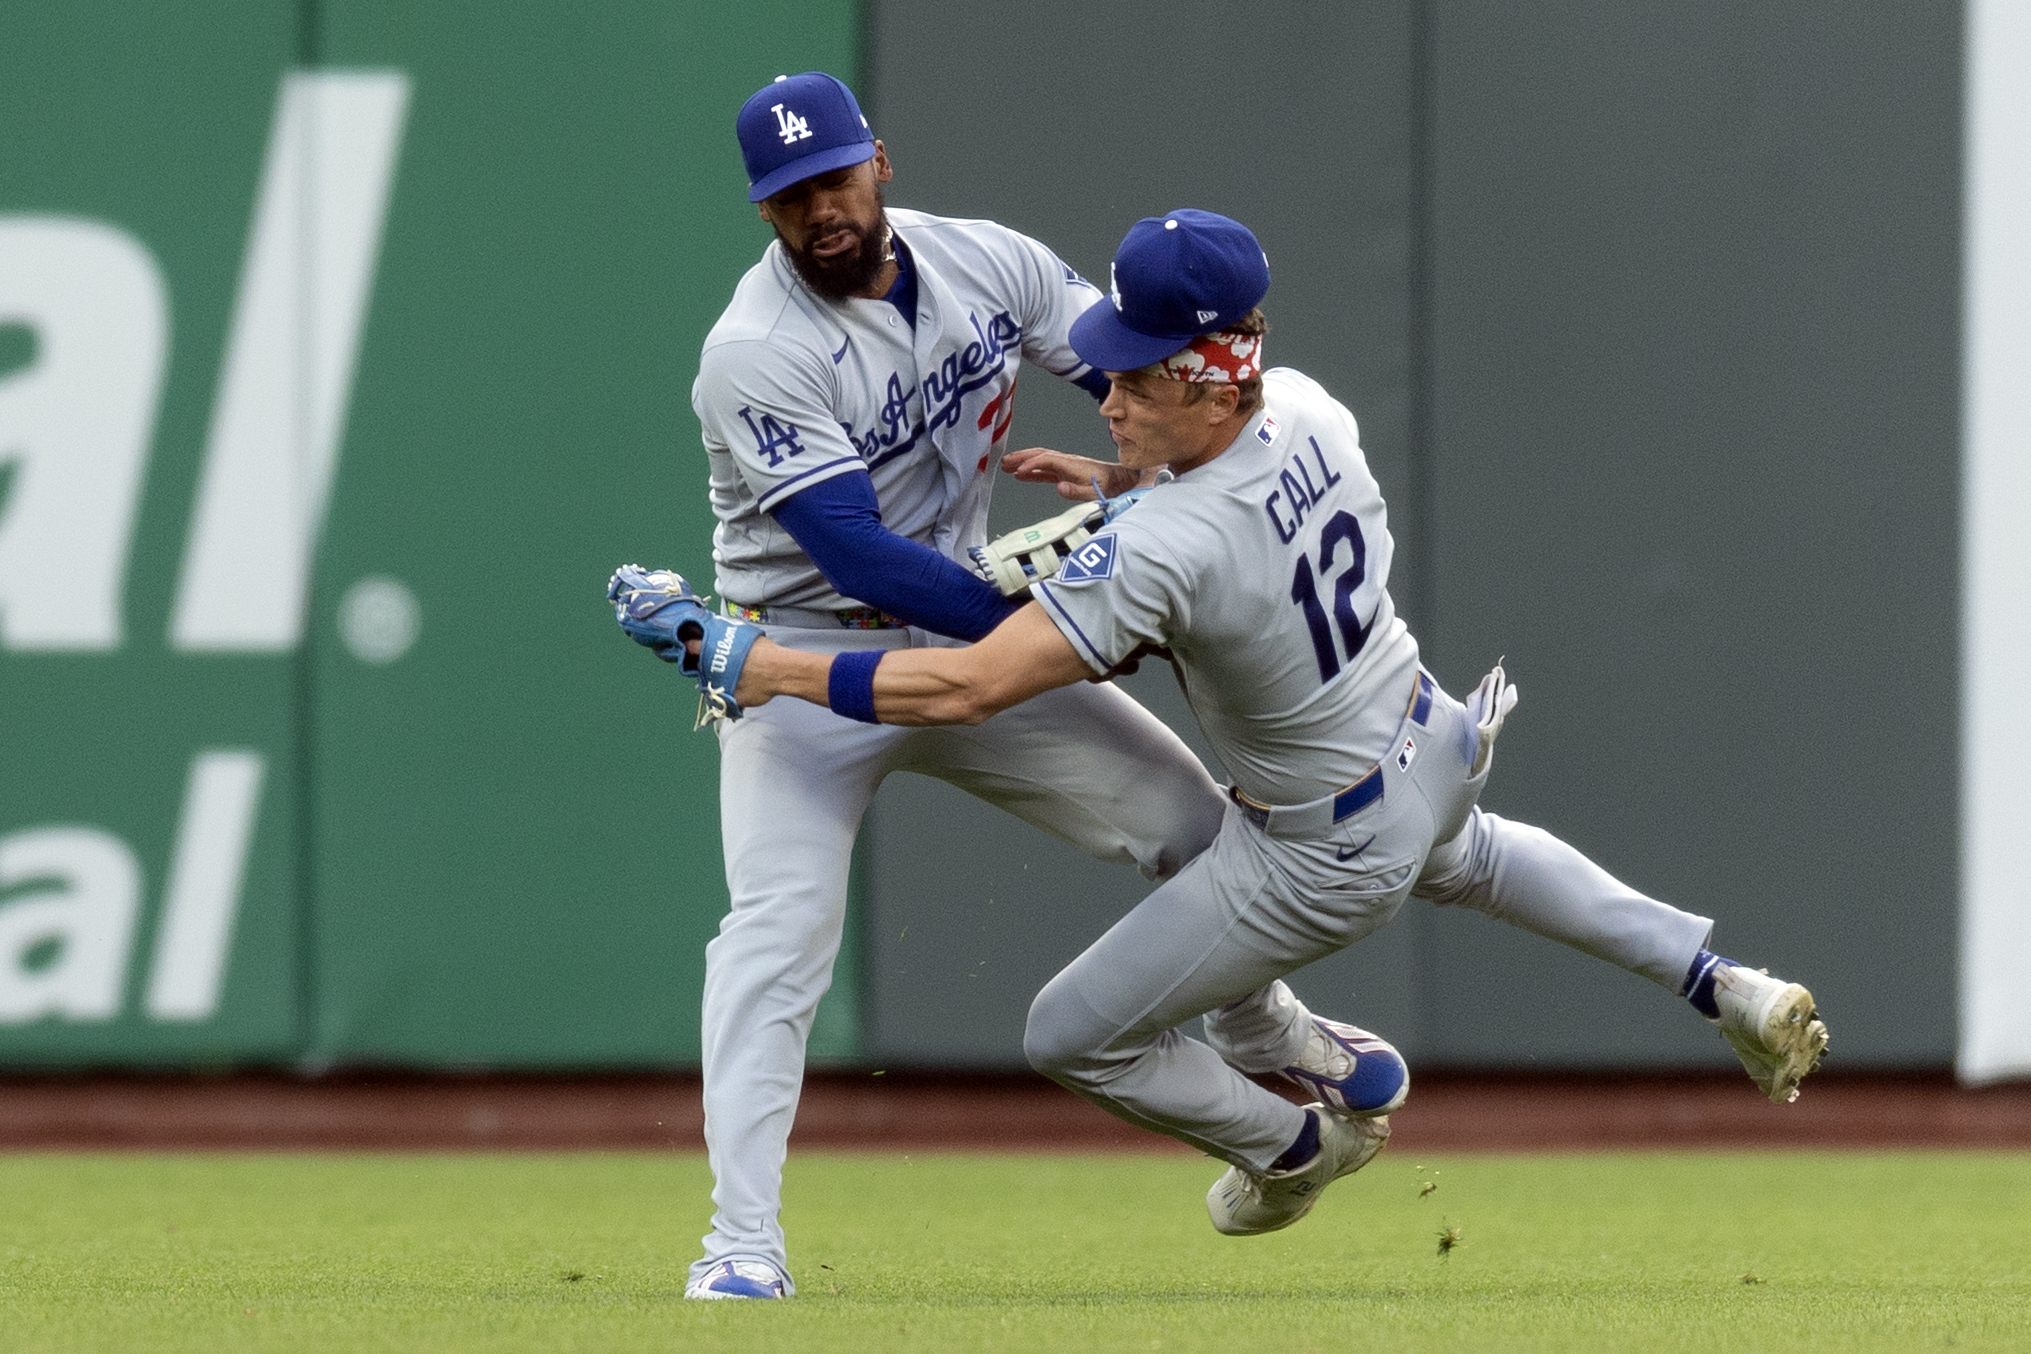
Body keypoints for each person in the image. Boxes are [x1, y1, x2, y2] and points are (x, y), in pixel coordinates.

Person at [615, 207, 1830, 1238]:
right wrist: (1121, 495)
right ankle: (1721, 979)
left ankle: (1291, 1145)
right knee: (1488, 857)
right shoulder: (1307, 405)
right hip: (1431, 742)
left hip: (1320, 851)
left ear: (1212, 371)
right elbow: (1210, 505)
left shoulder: (1167, 544)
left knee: (1068, 1034)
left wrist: (749, 658)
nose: (1112, 395)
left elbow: (969, 684)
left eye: (1139, 374)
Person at [666, 75, 1229, 1299]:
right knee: (774, 938)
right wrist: (1060, 626)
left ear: (879, 159)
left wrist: (1162, 494)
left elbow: (1139, 383)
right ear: (762, 210)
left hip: (978, 627)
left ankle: (1276, 1040)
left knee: (1195, 827)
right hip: (802, 667)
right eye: (789, 195)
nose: (819, 209)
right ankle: (741, 1245)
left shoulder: (991, 263)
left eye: (834, 178)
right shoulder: (755, 350)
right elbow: (856, 552)